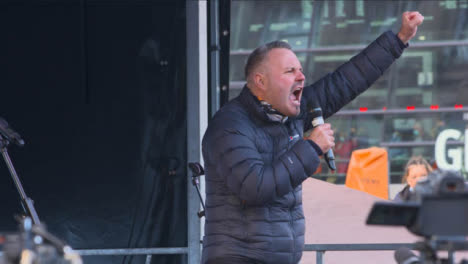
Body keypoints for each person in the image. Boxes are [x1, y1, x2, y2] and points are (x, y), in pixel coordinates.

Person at [201, 11, 424, 264]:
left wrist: (399, 39)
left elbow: (346, 81)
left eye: (300, 70)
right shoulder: (229, 125)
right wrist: (311, 147)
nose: (301, 76)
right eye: (289, 71)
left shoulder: (290, 115)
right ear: (260, 81)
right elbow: (255, 187)